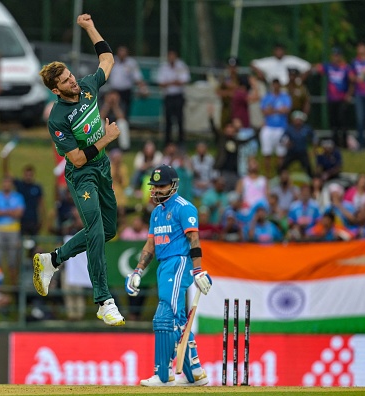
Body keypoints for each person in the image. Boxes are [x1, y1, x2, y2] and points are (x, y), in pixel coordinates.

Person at [34, 14, 125, 326]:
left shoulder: (88, 87)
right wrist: (107, 139)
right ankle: (104, 300)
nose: (72, 80)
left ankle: (53, 259)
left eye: (71, 75)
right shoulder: (58, 118)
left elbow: (108, 58)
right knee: (97, 230)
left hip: (101, 167)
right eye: (65, 81)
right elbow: (75, 160)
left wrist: (89, 28)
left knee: (110, 230)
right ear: (56, 91)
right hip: (82, 173)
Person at [125, 164, 212, 386]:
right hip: (164, 265)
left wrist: (198, 270)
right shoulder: (156, 213)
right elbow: (150, 245)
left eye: (161, 186)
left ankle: (163, 375)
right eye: (154, 186)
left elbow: (194, 240)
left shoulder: (185, 208)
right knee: (178, 320)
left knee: (164, 317)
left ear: (173, 186)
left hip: (179, 262)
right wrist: (138, 271)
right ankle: (195, 374)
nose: (156, 190)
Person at [314, 47, 354, 148]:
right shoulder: (329, 67)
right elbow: (318, 68)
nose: (335, 58)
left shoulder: (346, 68)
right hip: (332, 99)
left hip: (342, 99)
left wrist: (348, 95)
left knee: (343, 122)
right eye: (333, 55)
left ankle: (344, 144)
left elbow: (352, 82)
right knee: (333, 123)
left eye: (337, 55)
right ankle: (335, 144)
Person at [0, 176, 25, 284]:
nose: (6, 185)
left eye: (8, 183)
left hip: (13, 230)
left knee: (13, 259)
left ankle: (14, 286)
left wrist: (3, 212)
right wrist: (11, 212)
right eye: (4, 183)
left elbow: (19, 213)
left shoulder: (18, 196)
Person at [106, 45, 149, 121]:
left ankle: (123, 128)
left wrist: (143, 88)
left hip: (126, 91)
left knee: (124, 112)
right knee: (111, 112)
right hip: (114, 91)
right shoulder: (113, 61)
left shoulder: (131, 63)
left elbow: (137, 77)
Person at [157, 50, 191, 145]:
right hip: (168, 97)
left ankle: (181, 142)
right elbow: (161, 83)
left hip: (178, 96)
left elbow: (184, 80)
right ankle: (168, 143)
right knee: (168, 120)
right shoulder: (164, 67)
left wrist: (170, 83)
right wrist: (174, 82)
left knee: (180, 120)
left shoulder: (181, 66)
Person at [260, 79, 291, 175]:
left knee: (281, 153)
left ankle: (280, 173)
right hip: (269, 127)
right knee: (267, 153)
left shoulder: (285, 97)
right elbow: (265, 112)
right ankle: (267, 174)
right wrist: (278, 110)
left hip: (281, 128)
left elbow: (286, 110)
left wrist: (272, 110)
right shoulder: (267, 97)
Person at [279, 110, 316, 177]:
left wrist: (313, 148)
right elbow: (282, 139)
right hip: (292, 151)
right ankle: (280, 178)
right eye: (296, 120)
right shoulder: (289, 129)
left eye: (299, 120)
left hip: (302, 151)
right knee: (283, 166)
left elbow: (314, 138)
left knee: (308, 167)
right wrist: (286, 143)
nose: (298, 121)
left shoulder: (307, 128)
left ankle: (312, 179)